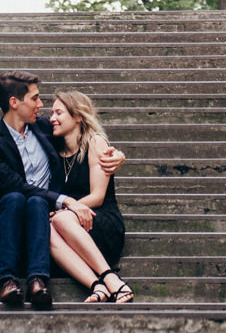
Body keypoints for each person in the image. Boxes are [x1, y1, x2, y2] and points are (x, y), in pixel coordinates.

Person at [0, 70, 124, 307]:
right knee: (15, 197)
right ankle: (7, 280)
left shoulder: (44, 128)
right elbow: (14, 186)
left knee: (36, 203)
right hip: (8, 220)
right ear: (14, 102)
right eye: (35, 98)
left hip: (42, 219)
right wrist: (65, 200)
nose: (42, 106)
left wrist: (116, 155)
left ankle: (38, 280)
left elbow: (82, 134)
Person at [48, 90, 132, 303]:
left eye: (59, 113)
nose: (52, 118)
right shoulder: (53, 150)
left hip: (100, 222)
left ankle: (111, 277)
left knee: (60, 218)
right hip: (67, 228)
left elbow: (97, 196)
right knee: (45, 227)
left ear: (77, 116)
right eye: (51, 113)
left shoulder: (95, 143)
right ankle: (97, 286)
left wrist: (67, 209)